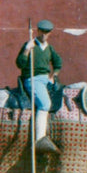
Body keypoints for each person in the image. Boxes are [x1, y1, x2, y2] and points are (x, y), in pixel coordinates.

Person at [15, 19, 63, 155]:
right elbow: (20, 64)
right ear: (38, 31)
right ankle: (40, 140)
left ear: (50, 33)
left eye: (47, 32)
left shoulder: (49, 48)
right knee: (45, 104)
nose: (44, 35)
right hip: (32, 79)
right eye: (42, 31)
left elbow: (58, 62)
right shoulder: (30, 44)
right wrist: (26, 50)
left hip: (45, 79)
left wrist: (54, 75)